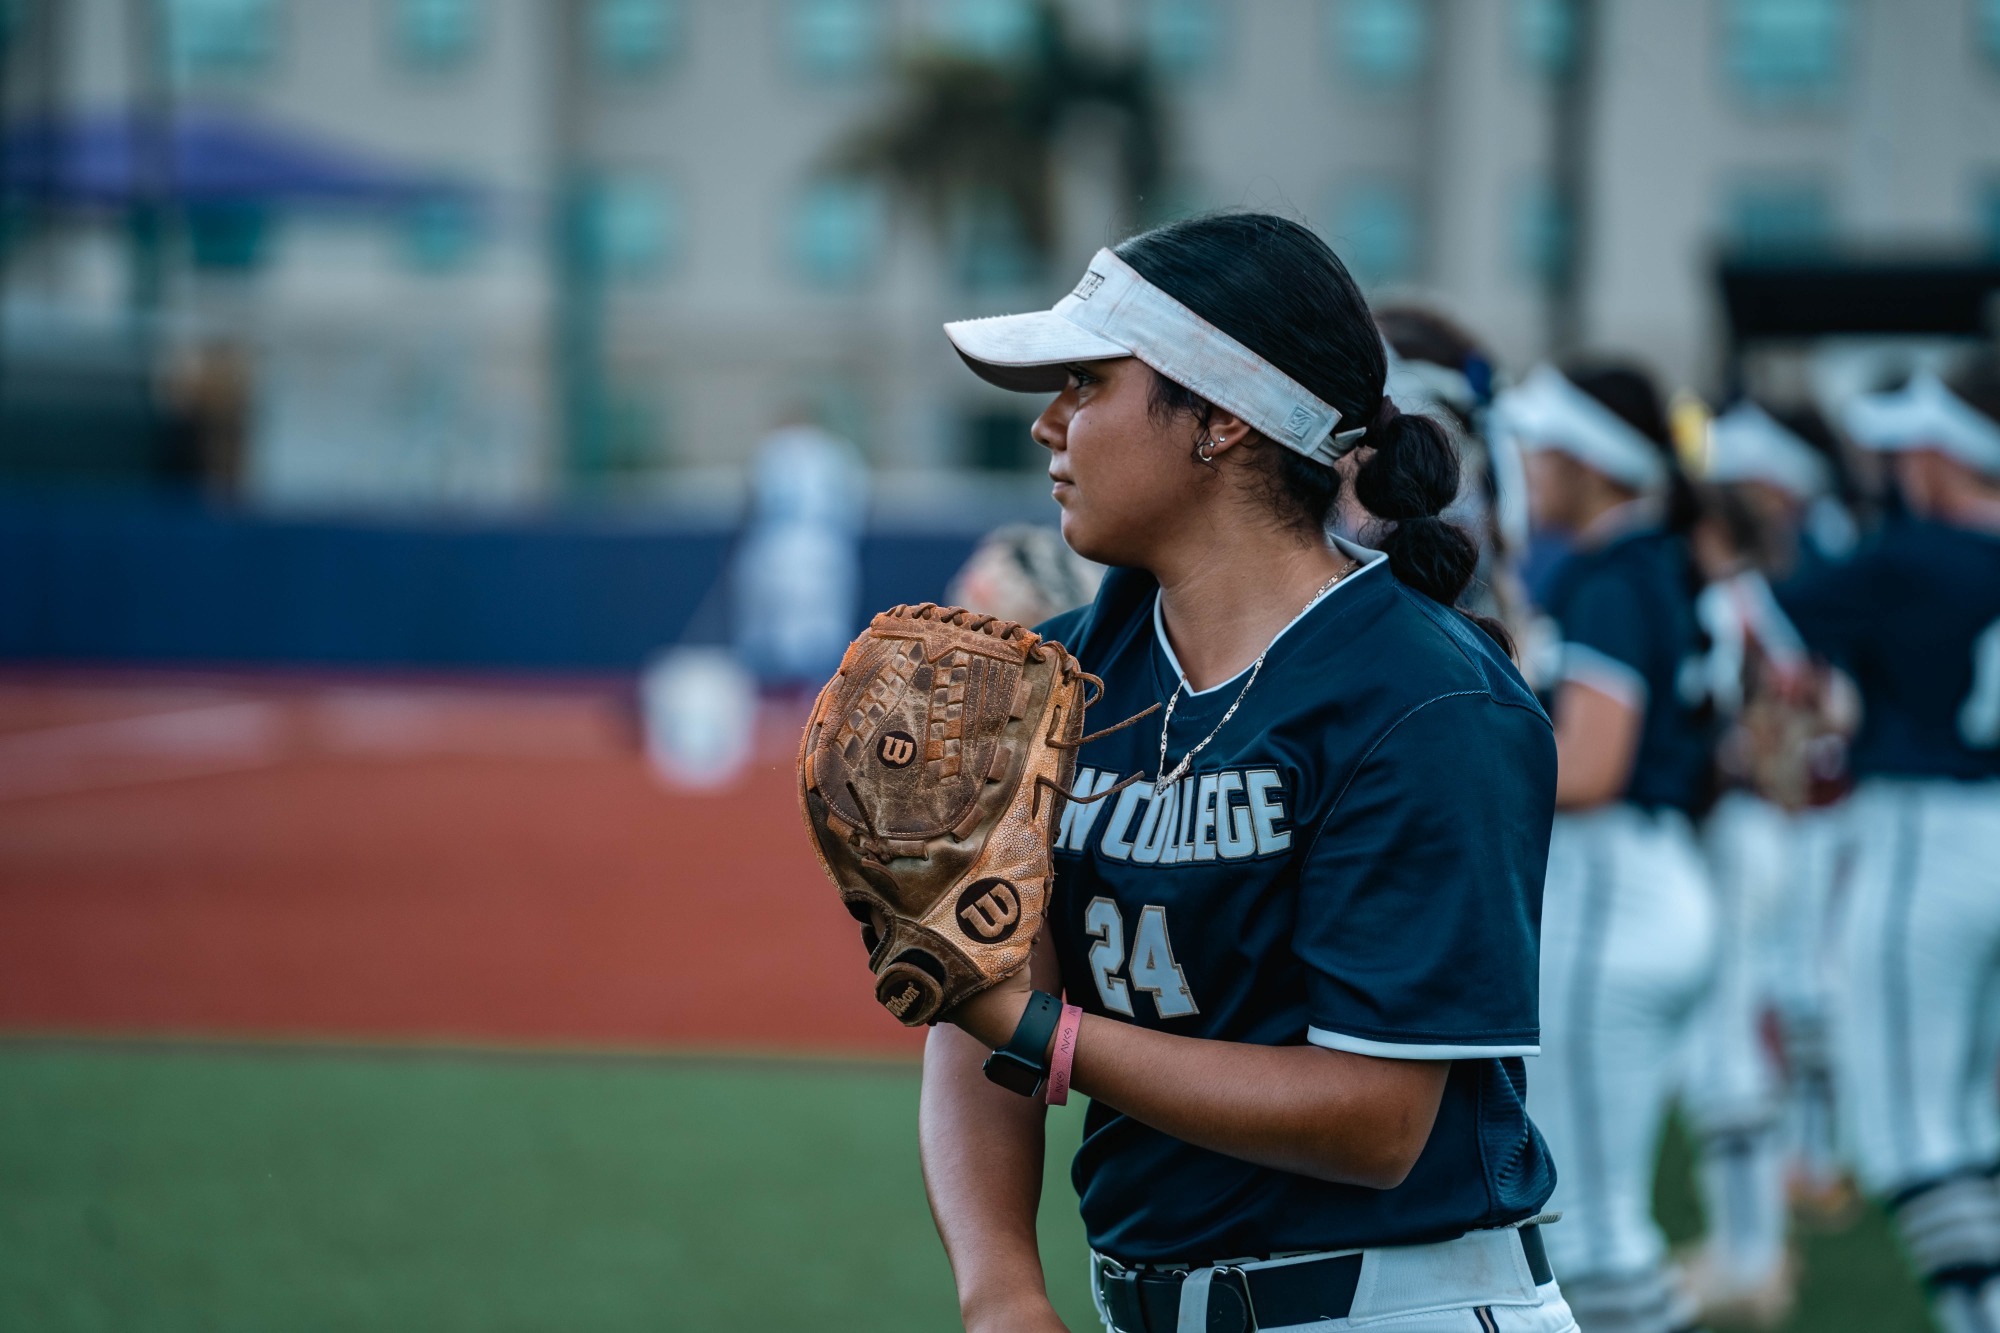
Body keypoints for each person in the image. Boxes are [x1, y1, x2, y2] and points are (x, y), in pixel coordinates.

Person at [923, 212, 1575, 1333]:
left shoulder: (1423, 698)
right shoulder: (1072, 667)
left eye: (1084, 382)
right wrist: (1000, 1288)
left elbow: (1374, 1121)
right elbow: (977, 1012)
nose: (1046, 425)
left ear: (1219, 416)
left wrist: (1044, 1032)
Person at [1772, 363, 2000, 1333]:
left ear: (1948, 454)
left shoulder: (1905, 554)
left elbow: (1771, 633)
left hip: (1925, 832)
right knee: (1980, 1125)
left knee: (1909, 1125)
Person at [1494, 362, 1717, 1333]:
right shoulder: (1646, 562)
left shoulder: (1609, 575)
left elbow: (1589, 769)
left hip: (1611, 899)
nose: (1528, 465)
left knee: (1585, 1226)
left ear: (1592, 461)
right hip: (1651, 883)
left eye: (1545, 446)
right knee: (1594, 1218)